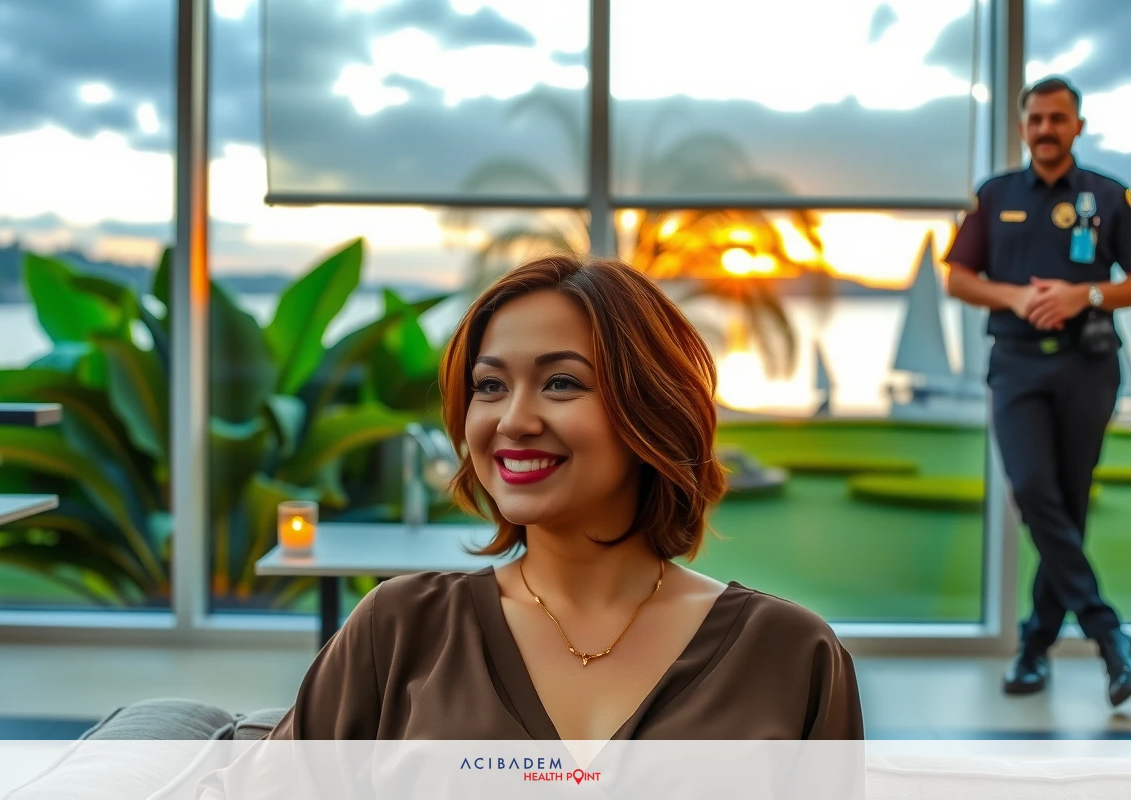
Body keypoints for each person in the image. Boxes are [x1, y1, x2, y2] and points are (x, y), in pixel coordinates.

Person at [266, 254, 864, 740]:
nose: (513, 420)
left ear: (652, 411)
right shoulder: (397, 630)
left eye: (561, 383)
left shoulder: (791, 655)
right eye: (490, 386)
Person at [945, 75, 1131, 706]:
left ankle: (1033, 648)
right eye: (1036, 120)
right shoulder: (995, 196)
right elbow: (959, 279)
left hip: (1089, 366)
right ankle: (1112, 639)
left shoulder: (1106, 196)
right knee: (1033, 491)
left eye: (1059, 119)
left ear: (1078, 126)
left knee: (1068, 506)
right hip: (1017, 367)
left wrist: (1088, 294)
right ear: (1023, 128)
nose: (1046, 129)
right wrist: (1016, 296)